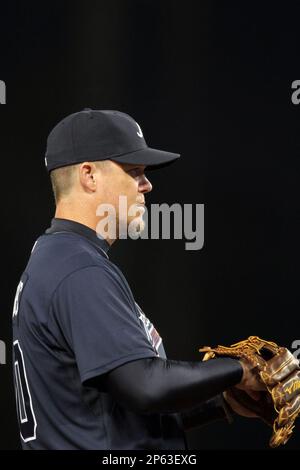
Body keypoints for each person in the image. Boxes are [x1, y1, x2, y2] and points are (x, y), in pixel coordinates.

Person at [12, 109, 264, 450]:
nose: (147, 184)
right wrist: (237, 370)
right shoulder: (77, 268)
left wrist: (219, 403)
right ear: (89, 175)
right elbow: (146, 386)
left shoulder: (58, 258)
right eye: (134, 171)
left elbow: (108, 417)